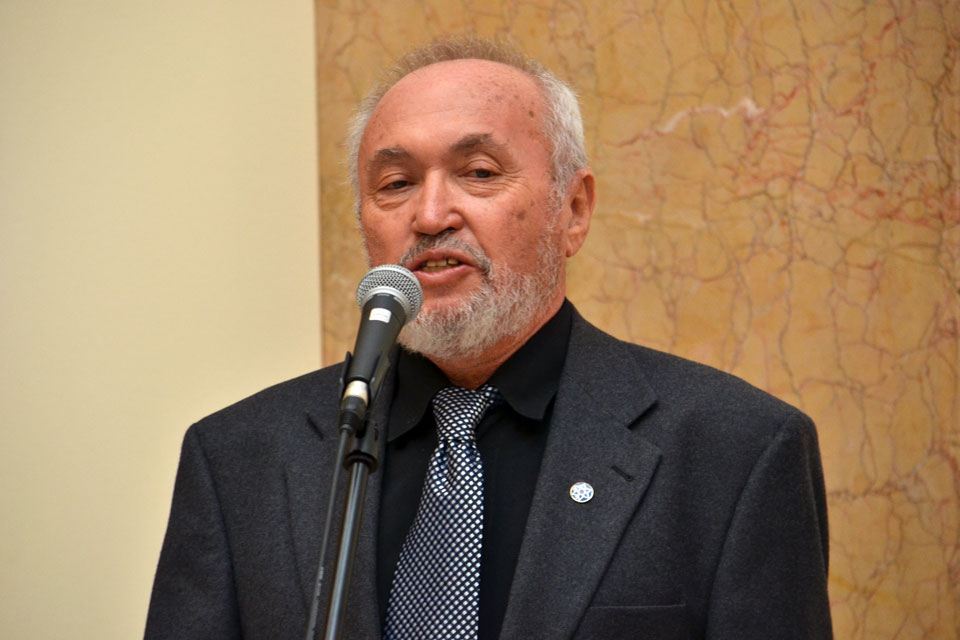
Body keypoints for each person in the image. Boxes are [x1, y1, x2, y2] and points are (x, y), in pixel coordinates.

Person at [146, 38, 832, 639]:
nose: (431, 214)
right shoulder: (240, 459)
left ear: (574, 209)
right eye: (395, 183)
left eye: (478, 173)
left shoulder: (736, 452)